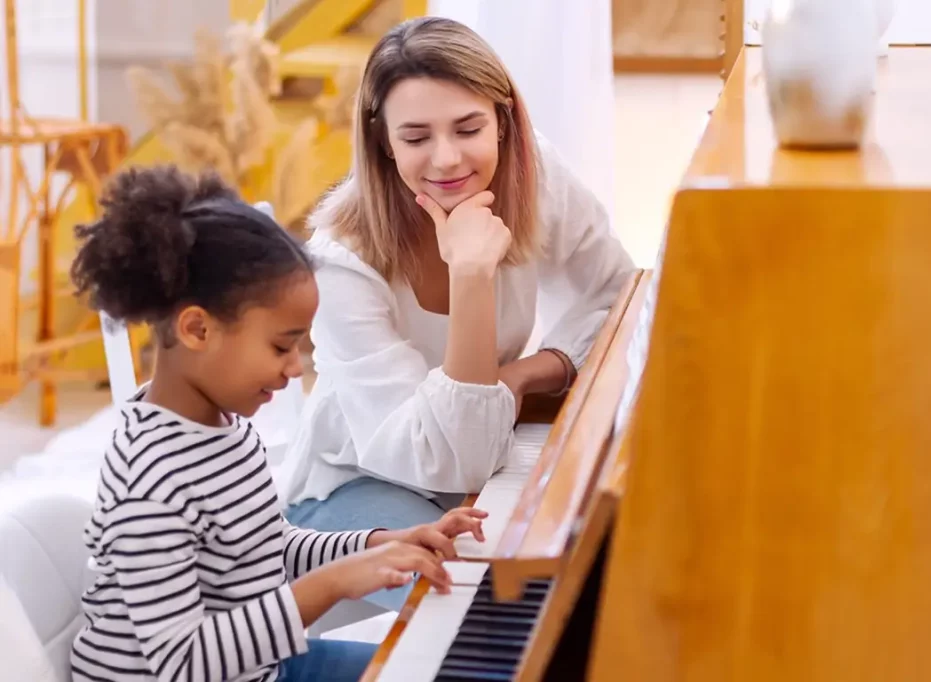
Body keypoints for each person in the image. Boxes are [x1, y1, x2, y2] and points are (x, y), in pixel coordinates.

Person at [66, 166, 488, 682]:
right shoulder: (149, 479)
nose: (295, 367)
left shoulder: (225, 431)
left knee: (437, 671)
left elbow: (268, 549)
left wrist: (383, 542)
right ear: (198, 329)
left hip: (262, 668)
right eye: (281, 346)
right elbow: (182, 663)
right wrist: (332, 584)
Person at [280, 16, 635, 568]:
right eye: (416, 137)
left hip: (480, 450)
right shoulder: (342, 260)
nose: (447, 159)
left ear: (502, 121)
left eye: (468, 129)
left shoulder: (533, 174)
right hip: (358, 488)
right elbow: (452, 462)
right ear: (384, 143)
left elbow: (618, 293)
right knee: (489, 584)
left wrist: (525, 373)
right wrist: (470, 276)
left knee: (595, 548)